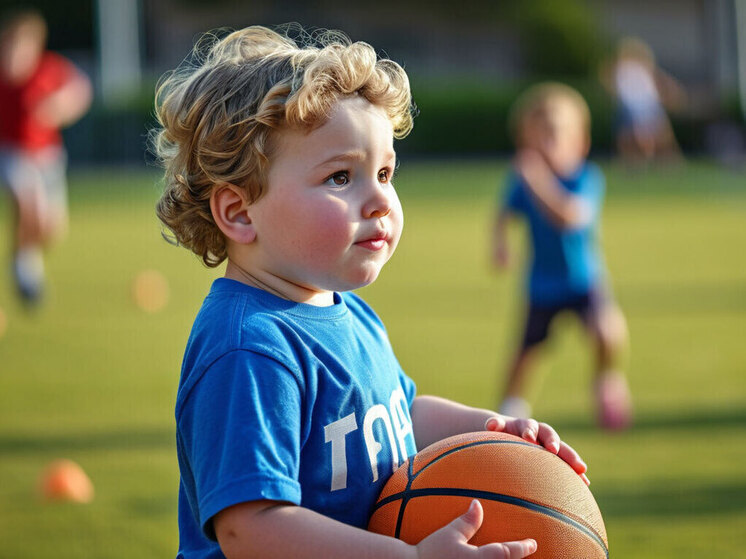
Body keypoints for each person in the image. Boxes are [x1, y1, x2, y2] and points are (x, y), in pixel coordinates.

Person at [153, 26, 589, 559]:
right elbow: (252, 529)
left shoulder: (347, 312)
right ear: (240, 212)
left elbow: (401, 414)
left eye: (385, 172)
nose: (381, 199)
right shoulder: (249, 347)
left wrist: (497, 432)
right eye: (341, 177)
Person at [491, 82, 632, 431]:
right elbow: (504, 213)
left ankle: (607, 383)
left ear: (579, 142)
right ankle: (508, 410)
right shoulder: (523, 182)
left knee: (608, 332)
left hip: (584, 280)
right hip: (542, 285)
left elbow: (570, 218)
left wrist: (537, 180)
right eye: (538, 137)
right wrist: (500, 243)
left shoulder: (586, 178)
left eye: (555, 136)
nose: (545, 146)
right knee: (524, 355)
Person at [0, 9, 92, 305]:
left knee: (51, 228)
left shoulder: (48, 69)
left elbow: (81, 91)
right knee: (28, 206)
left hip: (48, 156)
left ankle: (28, 257)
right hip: (12, 154)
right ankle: (24, 269)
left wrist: (60, 107)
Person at [600, 36, 686, 166]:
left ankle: (663, 157)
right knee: (633, 135)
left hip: (647, 104)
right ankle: (638, 158)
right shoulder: (622, 69)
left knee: (657, 133)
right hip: (632, 106)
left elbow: (662, 82)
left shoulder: (644, 69)